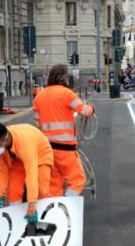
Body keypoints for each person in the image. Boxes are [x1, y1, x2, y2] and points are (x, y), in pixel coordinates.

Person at [32, 63, 93, 197]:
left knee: (54, 182)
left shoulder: (39, 97)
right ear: (62, 78)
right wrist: (91, 108)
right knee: (77, 180)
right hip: (65, 148)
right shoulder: (66, 94)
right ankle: (67, 206)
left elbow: (38, 124)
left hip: (47, 148)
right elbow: (83, 110)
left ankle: (54, 212)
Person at [0, 122, 53, 225]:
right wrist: (0, 196)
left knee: (41, 190)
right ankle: (17, 224)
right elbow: (0, 170)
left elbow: (32, 174)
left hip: (40, 156)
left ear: (6, 140)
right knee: (13, 191)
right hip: (17, 159)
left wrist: (32, 206)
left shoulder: (25, 143)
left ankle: (45, 221)